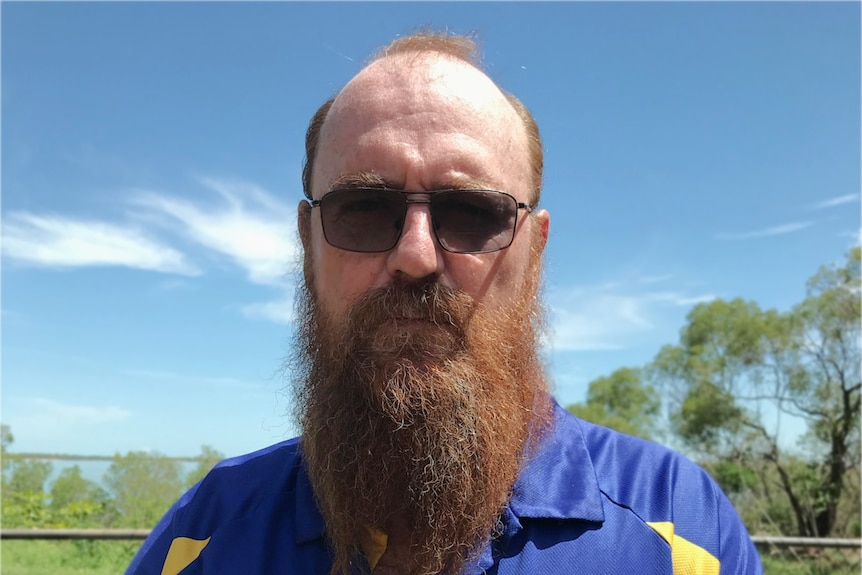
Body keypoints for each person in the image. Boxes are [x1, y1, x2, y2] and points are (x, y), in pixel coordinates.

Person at [126, 31, 763, 575]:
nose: (416, 256)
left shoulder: (676, 529)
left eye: (472, 213)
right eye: (364, 209)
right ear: (307, 242)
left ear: (534, 251)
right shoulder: (206, 534)